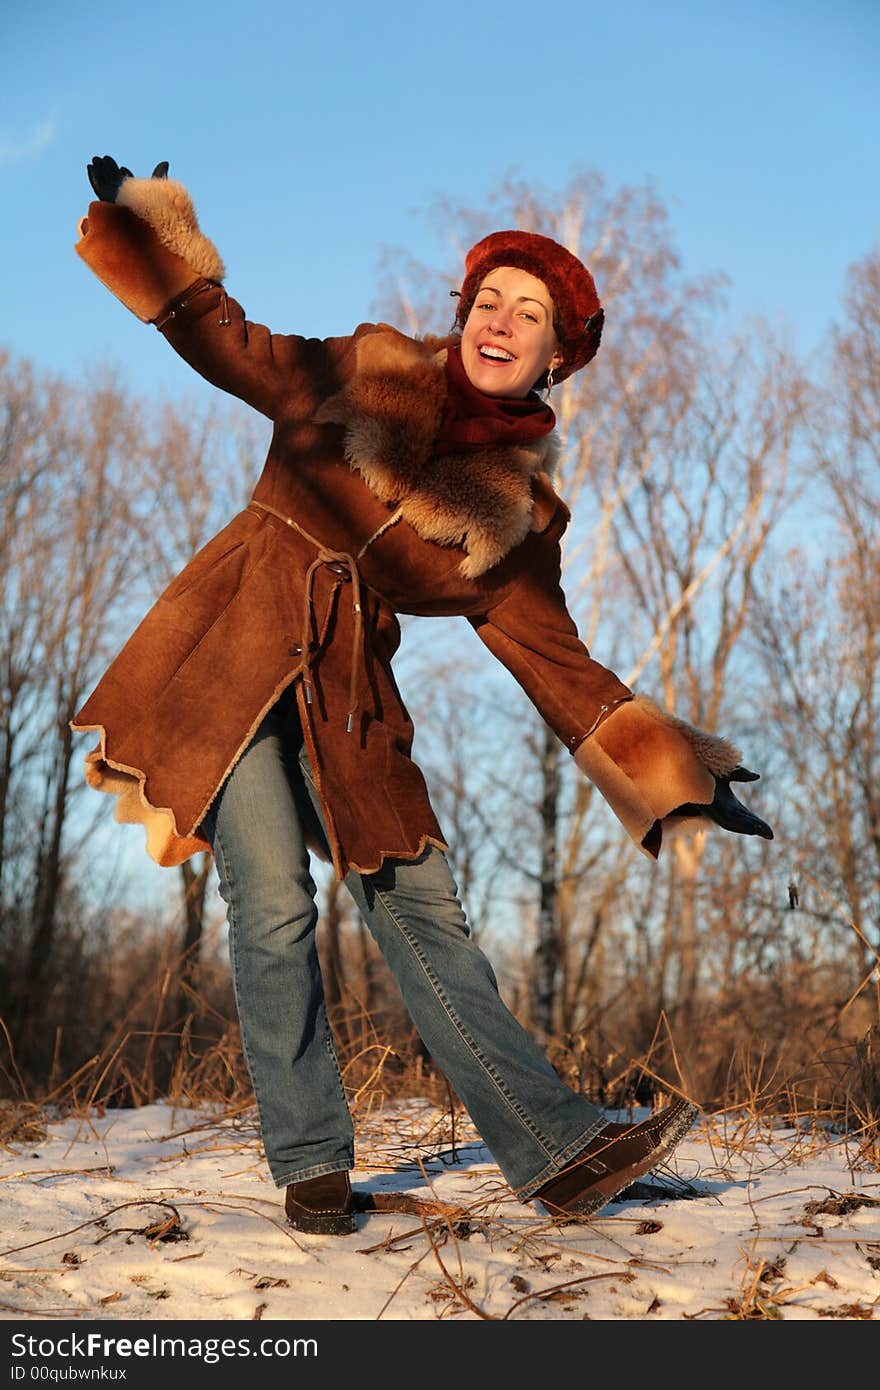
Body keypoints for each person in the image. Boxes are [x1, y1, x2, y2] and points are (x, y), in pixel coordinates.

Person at [71, 156, 773, 1235]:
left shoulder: (518, 522)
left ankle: (558, 1150)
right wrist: (153, 227)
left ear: (556, 355)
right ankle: (309, 1164)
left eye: (528, 313)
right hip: (226, 652)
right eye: (489, 298)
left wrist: (680, 771)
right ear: (463, 310)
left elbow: (562, 668)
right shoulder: (362, 369)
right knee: (270, 904)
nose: (500, 321)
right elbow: (230, 342)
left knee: (423, 907)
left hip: (346, 690)